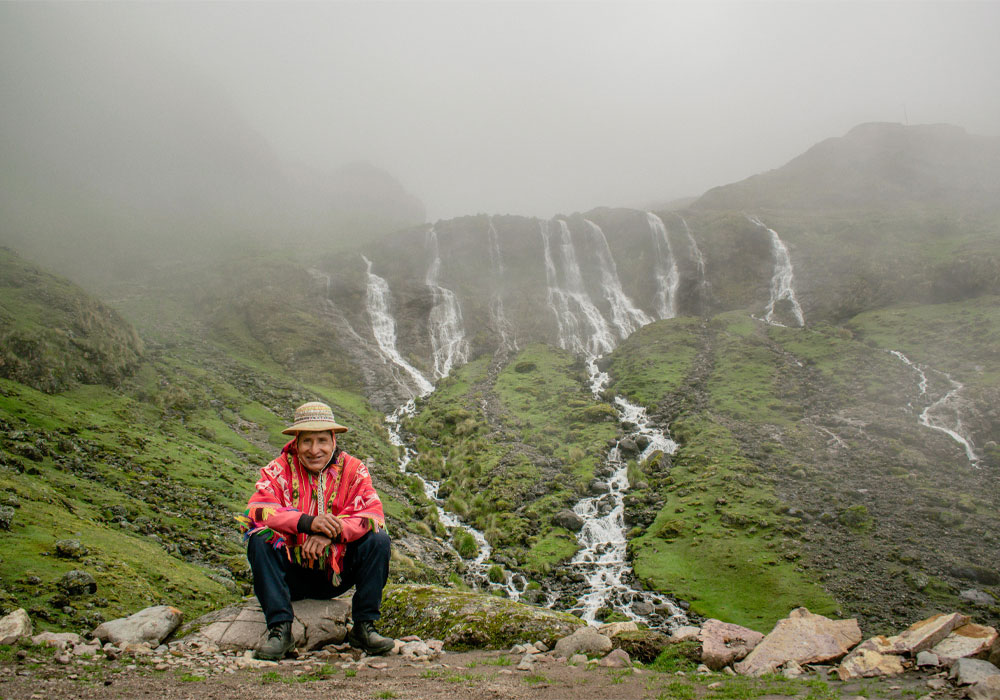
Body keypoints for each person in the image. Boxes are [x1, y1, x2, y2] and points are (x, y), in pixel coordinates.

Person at [237, 401, 394, 659]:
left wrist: (331, 531)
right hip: (291, 577)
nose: (314, 450)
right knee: (259, 538)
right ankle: (280, 629)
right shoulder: (279, 469)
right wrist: (308, 523)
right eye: (307, 441)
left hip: (337, 574)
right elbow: (259, 509)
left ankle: (364, 626)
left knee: (378, 540)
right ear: (296, 442)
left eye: (322, 440)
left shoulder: (355, 470)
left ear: (333, 440)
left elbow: (371, 513)